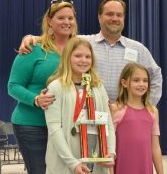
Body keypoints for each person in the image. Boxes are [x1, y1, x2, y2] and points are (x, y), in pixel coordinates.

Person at [18, 0, 163, 106]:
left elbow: (155, 76)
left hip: (125, 117)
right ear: (99, 17)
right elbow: (55, 37)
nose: (114, 18)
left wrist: (145, 105)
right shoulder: (83, 43)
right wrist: (31, 38)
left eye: (119, 15)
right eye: (109, 14)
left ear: (124, 18)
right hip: (89, 118)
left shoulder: (138, 49)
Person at [7, 0, 78, 174]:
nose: (67, 22)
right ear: (49, 21)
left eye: (70, 18)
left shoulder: (78, 49)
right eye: (61, 18)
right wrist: (35, 99)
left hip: (64, 125)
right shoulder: (33, 49)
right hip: (32, 125)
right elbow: (13, 86)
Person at [44, 37, 116, 174]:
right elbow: (54, 129)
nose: (83, 60)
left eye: (88, 56)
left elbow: (108, 124)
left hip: (95, 157)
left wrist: (111, 151)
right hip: (67, 160)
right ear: (67, 58)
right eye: (78, 56)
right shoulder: (56, 87)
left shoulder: (98, 86)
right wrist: (73, 163)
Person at [110, 62, 164, 174]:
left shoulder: (152, 111)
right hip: (121, 168)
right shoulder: (116, 109)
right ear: (124, 83)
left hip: (144, 168)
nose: (141, 84)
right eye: (136, 80)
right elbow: (109, 145)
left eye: (145, 80)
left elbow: (155, 147)